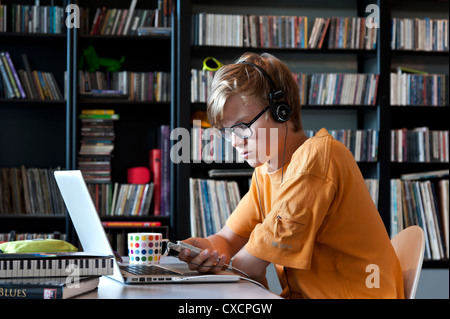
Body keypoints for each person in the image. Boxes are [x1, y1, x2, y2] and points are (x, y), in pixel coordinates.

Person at [180, 52, 404, 299]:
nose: (234, 141)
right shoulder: (264, 172)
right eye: (227, 131)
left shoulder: (318, 158)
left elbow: (248, 267)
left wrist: (221, 267)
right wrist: (209, 249)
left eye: (242, 127)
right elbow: (227, 238)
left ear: (281, 110)